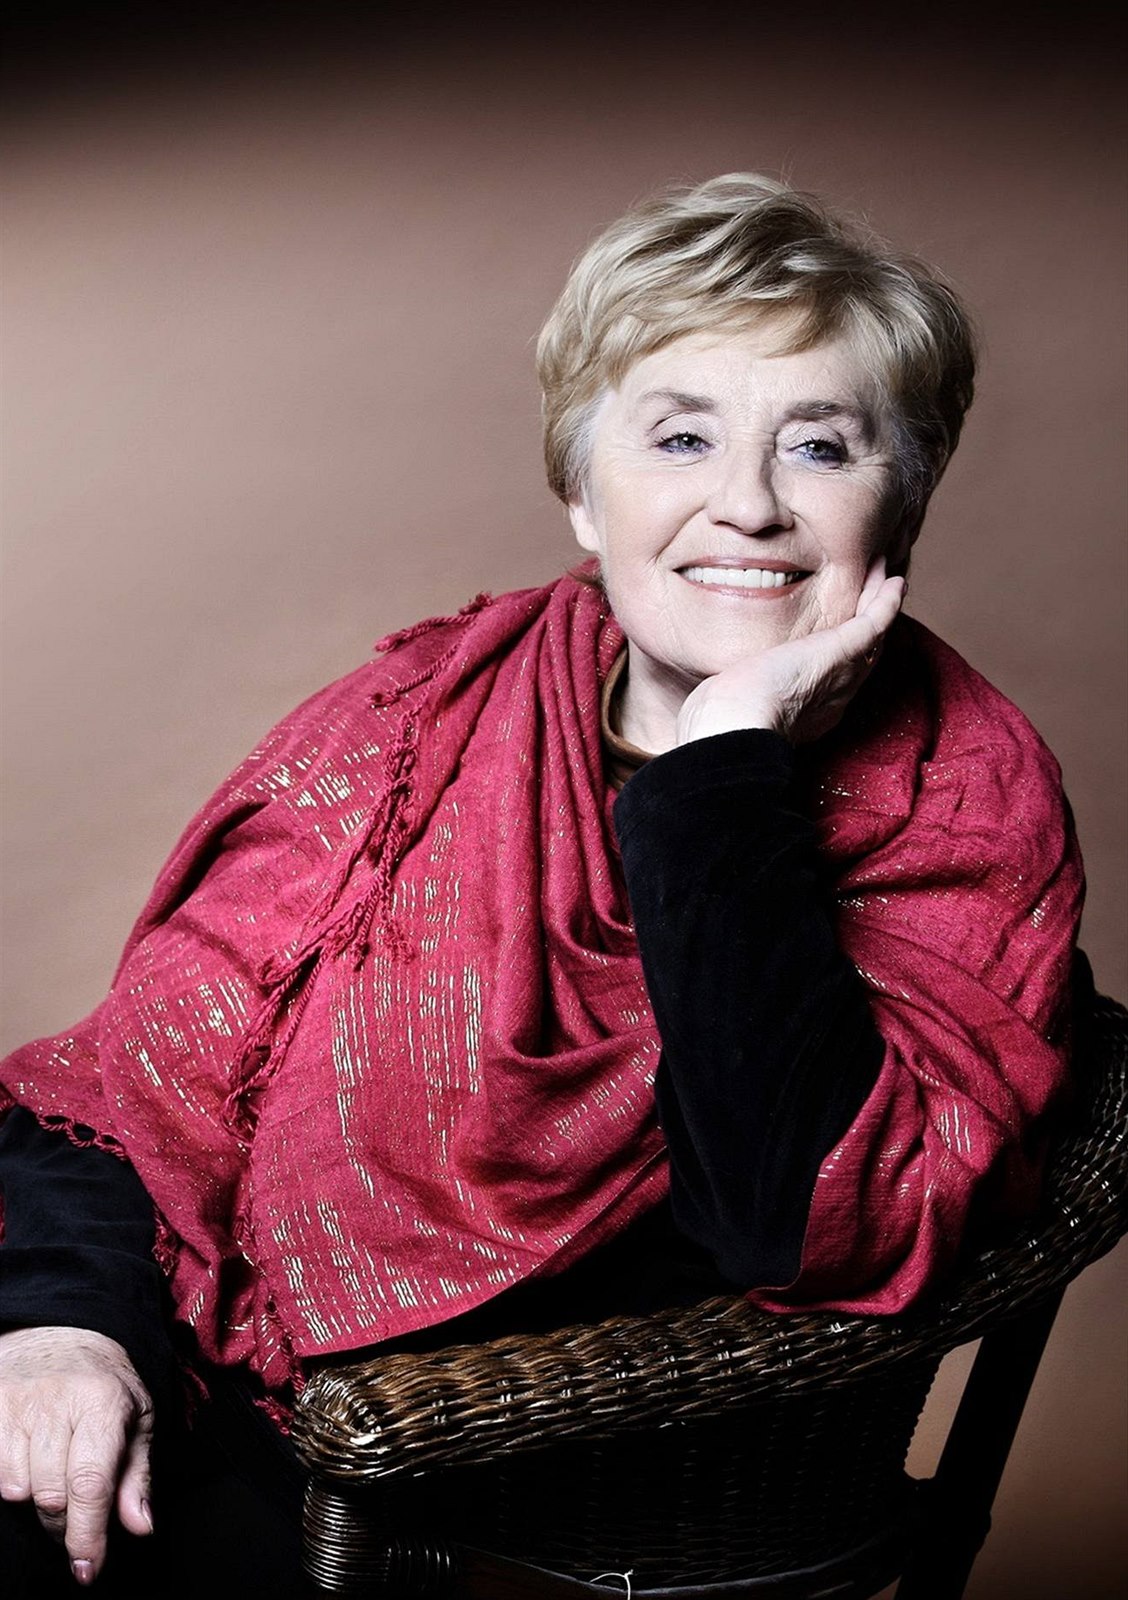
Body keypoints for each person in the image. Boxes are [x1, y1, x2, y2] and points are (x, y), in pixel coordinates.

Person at [0, 174, 1083, 1595]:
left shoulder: (964, 799)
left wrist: (722, 769)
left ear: (905, 502)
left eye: (820, 447)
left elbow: (803, 1219)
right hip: (230, 1374)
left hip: (548, 1504)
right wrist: (67, 1330)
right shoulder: (426, 711)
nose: (748, 504)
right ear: (582, 493)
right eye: (681, 438)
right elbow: (137, 1084)